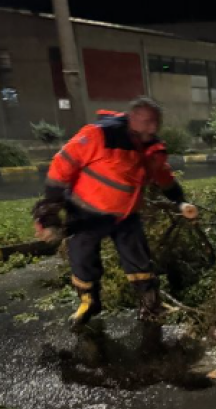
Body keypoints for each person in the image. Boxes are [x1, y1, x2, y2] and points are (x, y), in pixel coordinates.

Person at [33, 96, 199, 327]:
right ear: (132, 118)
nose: (152, 127)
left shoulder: (152, 149)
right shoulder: (98, 135)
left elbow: (164, 178)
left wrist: (180, 202)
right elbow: (62, 166)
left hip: (125, 217)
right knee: (83, 259)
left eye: (156, 122)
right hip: (85, 214)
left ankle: (151, 306)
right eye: (147, 121)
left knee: (139, 261)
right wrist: (49, 213)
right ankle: (88, 303)